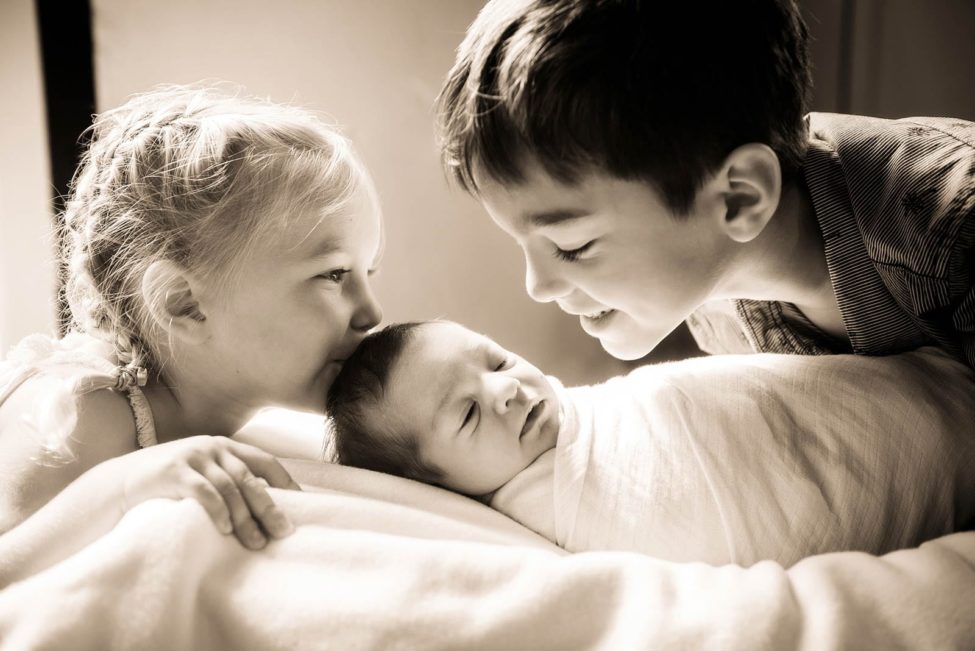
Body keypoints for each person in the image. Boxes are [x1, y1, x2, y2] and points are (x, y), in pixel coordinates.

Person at [434, 0, 975, 368]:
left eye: (572, 245)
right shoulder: (713, 306)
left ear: (739, 197)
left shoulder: (951, 231)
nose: (538, 285)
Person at [0, 84, 384, 571]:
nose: (372, 313)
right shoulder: (83, 408)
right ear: (184, 305)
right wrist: (121, 486)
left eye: (368, 273)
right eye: (332, 274)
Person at [327, 320, 975, 565]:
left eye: (496, 361)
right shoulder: (537, 510)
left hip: (918, 388)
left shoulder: (593, 412)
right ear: (433, 482)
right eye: (467, 414)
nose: (504, 390)